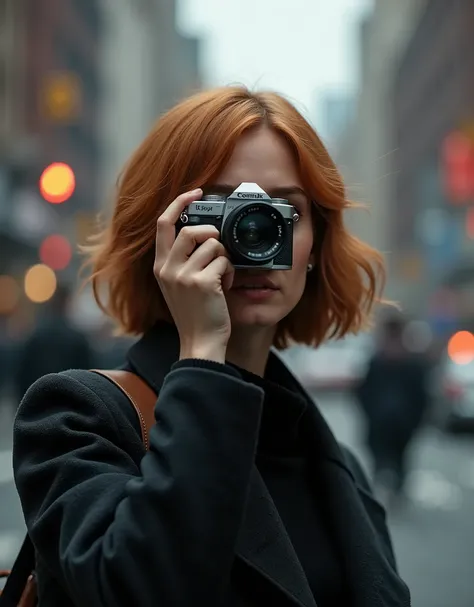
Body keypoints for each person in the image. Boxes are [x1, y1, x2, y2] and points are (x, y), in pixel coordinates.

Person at [13, 87, 410, 606]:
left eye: (282, 212)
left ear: (316, 244)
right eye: (221, 209)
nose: (255, 235)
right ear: (159, 237)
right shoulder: (76, 418)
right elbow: (142, 589)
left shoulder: (335, 463)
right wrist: (202, 353)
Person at [356, 314, 430, 505]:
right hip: (382, 422)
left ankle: (394, 490)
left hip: (401, 424)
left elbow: (421, 397)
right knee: (381, 457)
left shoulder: (412, 364)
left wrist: (415, 420)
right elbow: (363, 392)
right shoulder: (377, 362)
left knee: (398, 459)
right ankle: (385, 488)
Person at [13, 283, 94, 401]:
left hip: (37, 400)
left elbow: (22, 374)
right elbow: (87, 376)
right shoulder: (77, 338)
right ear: (66, 303)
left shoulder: (35, 336)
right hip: (69, 401)